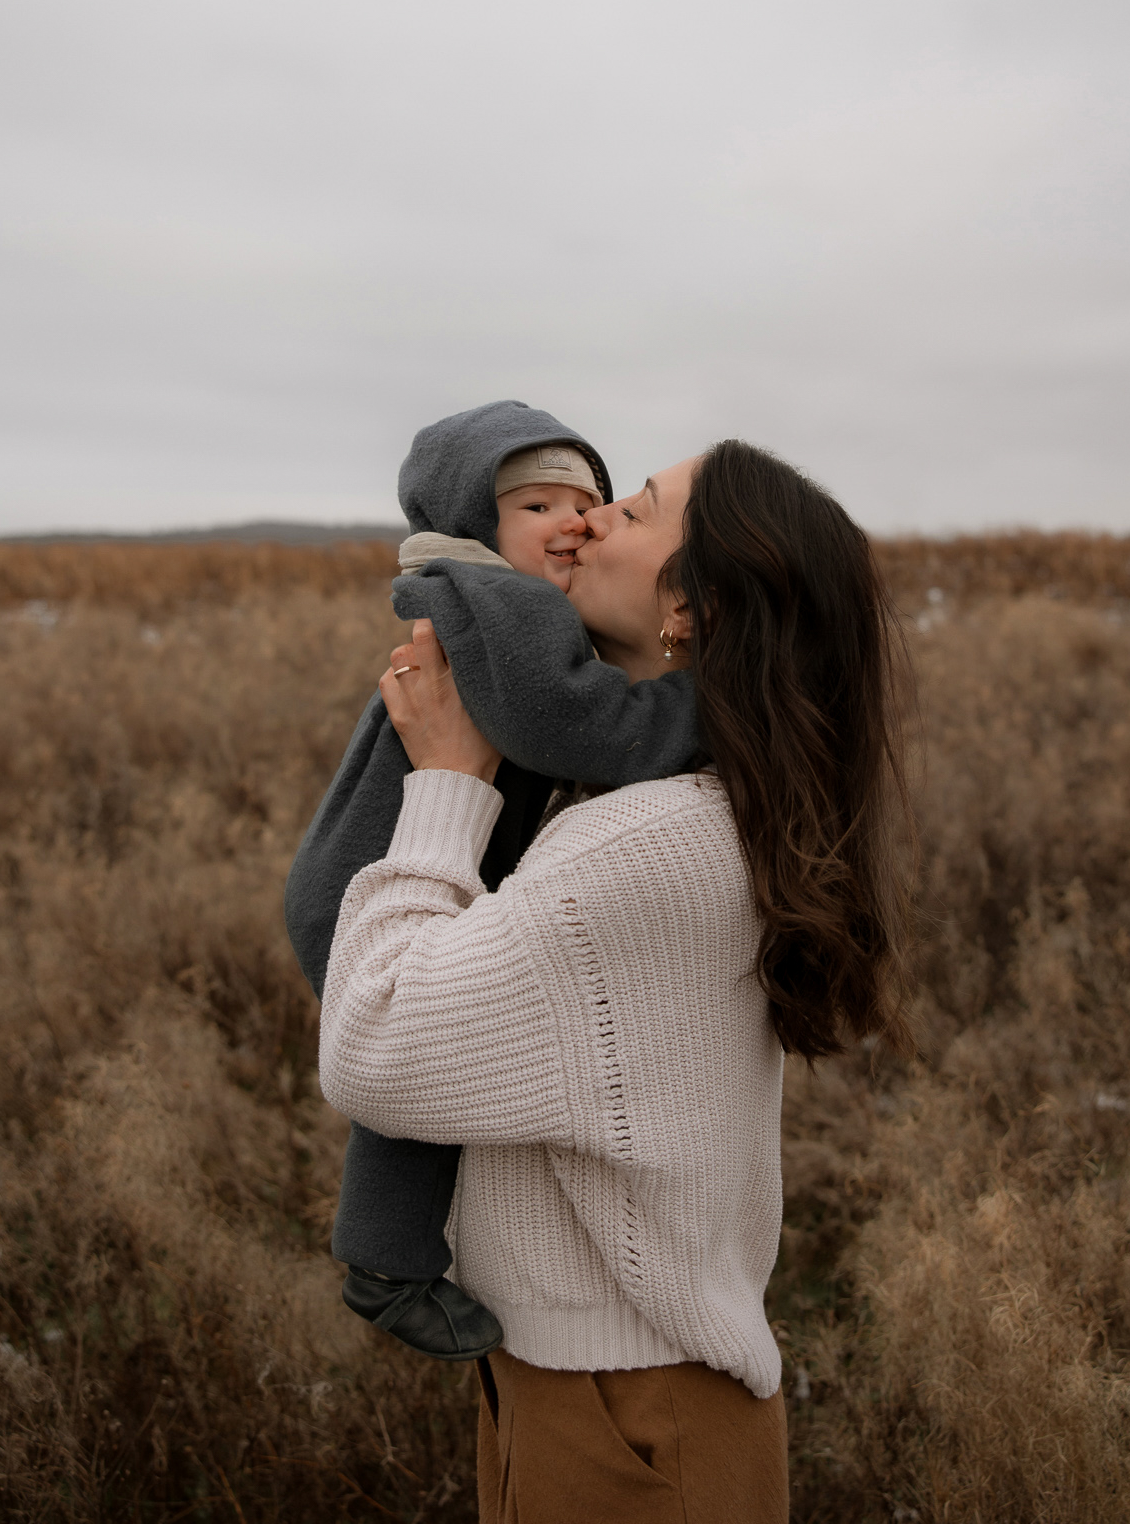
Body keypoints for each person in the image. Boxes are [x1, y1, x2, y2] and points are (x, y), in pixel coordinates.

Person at [319, 439, 916, 1523]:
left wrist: (447, 785)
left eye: (633, 510)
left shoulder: (646, 844)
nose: (588, 519)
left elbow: (375, 1048)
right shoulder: (683, 800)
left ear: (690, 607)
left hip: (627, 1423)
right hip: (596, 1393)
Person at [286, 400, 702, 1360]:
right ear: (474, 519)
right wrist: (695, 711)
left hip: (381, 864)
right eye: (535, 506)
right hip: (369, 878)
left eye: (586, 503)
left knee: (431, 1070)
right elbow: (568, 725)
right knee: (423, 1066)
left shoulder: (500, 597)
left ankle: (388, 1259)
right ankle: (386, 1266)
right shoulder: (496, 599)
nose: (572, 523)